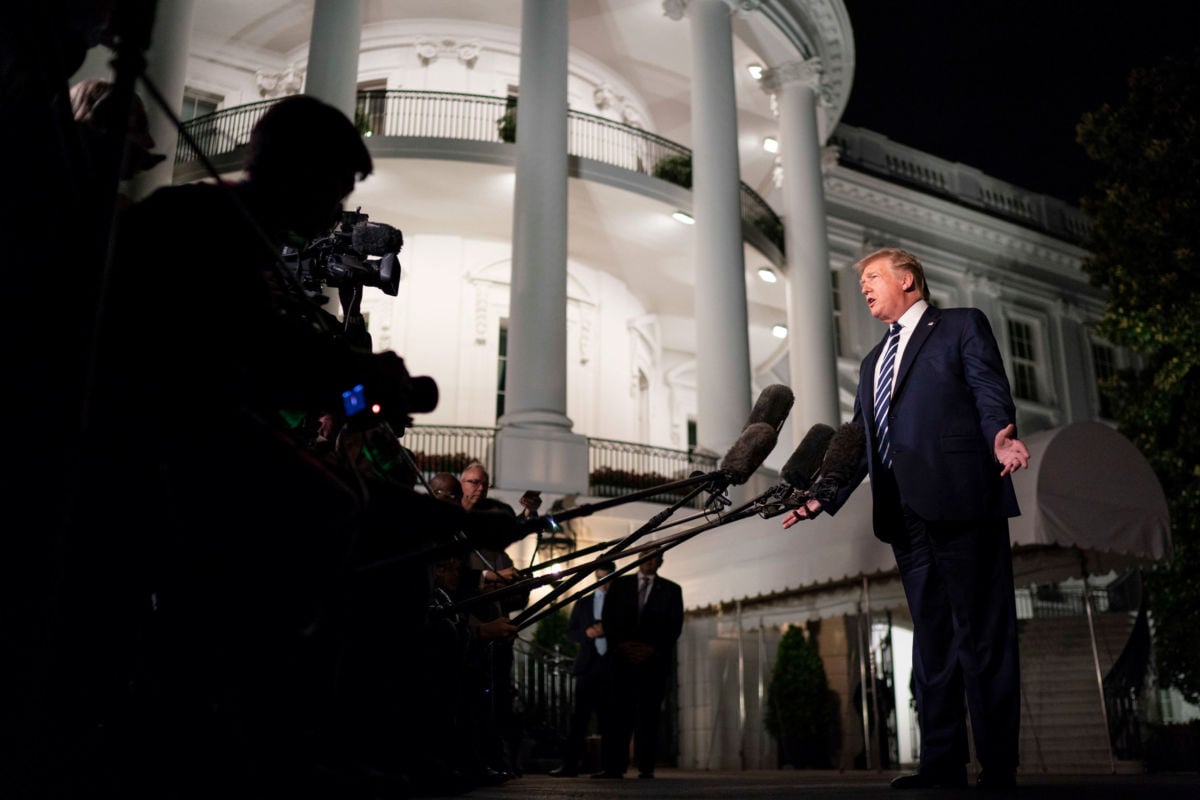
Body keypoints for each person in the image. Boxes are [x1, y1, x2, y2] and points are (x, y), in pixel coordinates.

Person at [782, 247, 1030, 790]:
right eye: (862, 281)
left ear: (909, 280)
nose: (864, 288)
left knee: (982, 637)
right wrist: (825, 494)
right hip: (904, 514)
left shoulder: (961, 325)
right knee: (932, 640)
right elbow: (860, 442)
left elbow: (990, 390)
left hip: (964, 501)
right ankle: (942, 763)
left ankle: (998, 766)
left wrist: (1000, 435)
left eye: (873, 277)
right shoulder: (873, 363)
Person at [597, 547, 684, 779]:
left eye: (656, 556)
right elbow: (608, 618)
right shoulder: (620, 584)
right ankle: (614, 766)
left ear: (661, 561)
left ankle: (646, 767)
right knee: (617, 714)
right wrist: (622, 645)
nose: (650, 560)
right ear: (638, 557)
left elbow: (674, 626)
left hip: (653, 662)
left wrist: (650, 649)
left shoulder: (672, 590)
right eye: (646, 555)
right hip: (621, 659)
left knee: (649, 714)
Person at [550, 560, 617, 777]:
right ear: (596, 577)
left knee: (609, 719)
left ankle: (610, 767)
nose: (604, 584)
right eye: (600, 579)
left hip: (611, 665)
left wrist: (610, 630)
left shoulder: (620, 602)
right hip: (587, 666)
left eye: (608, 579)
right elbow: (571, 632)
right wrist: (586, 634)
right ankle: (570, 766)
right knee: (579, 718)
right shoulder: (584, 603)